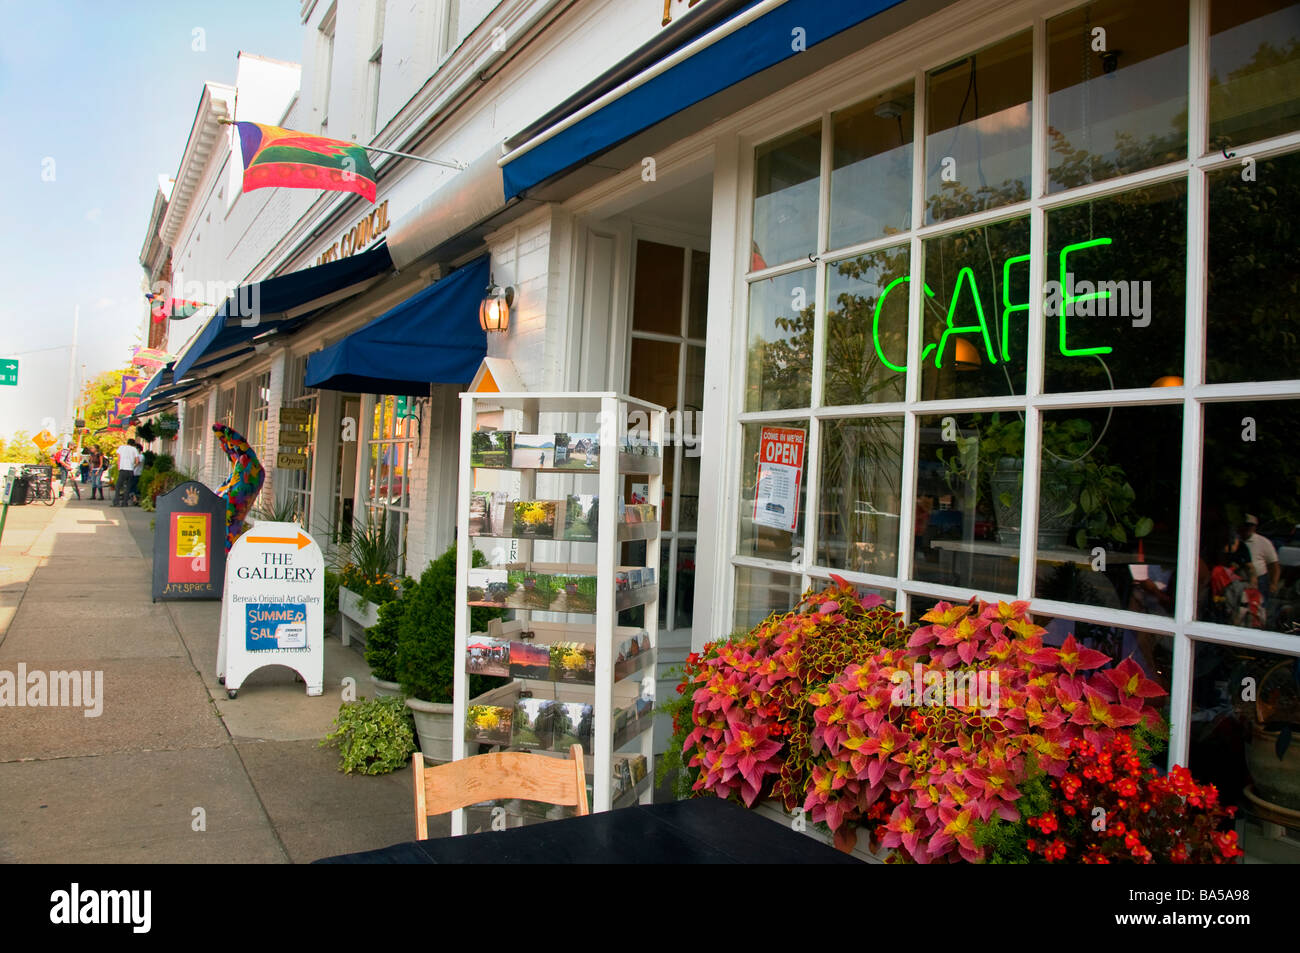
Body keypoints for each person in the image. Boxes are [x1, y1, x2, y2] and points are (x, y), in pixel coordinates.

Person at [1240, 515, 1281, 602]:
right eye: (1245, 525)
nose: (1248, 528)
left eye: (1251, 525)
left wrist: (1274, 583)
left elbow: (1274, 564)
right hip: (1238, 580)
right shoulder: (1234, 541)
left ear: (1255, 527)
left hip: (1260, 580)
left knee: (1259, 606)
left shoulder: (1264, 542)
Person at [113, 441, 139, 507]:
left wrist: (119, 467)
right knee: (128, 487)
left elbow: (119, 458)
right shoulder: (134, 449)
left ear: (127, 442)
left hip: (123, 469)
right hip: (130, 470)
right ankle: (125, 502)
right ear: (133, 444)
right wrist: (133, 466)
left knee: (118, 486)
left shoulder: (121, 447)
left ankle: (116, 502)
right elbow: (137, 461)